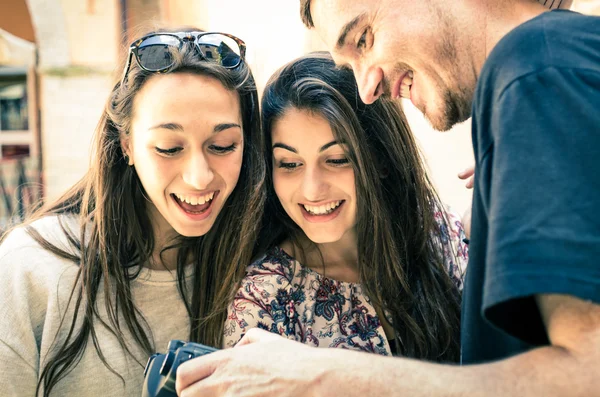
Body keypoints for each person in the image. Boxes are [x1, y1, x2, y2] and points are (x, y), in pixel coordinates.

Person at [175, 1, 600, 396]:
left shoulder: (536, 69)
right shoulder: (566, 60)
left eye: (364, 38)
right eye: (288, 164)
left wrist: (321, 375)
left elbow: (589, 373)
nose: (367, 88)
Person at [0, 28, 265, 396]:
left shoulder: (262, 271)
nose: (198, 177)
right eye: (169, 148)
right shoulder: (30, 268)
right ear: (127, 145)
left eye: (222, 146)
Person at [222, 52, 468, 359]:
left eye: (337, 159)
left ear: (380, 158)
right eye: (289, 163)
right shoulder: (265, 299)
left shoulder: (432, 228)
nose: (312, 190)